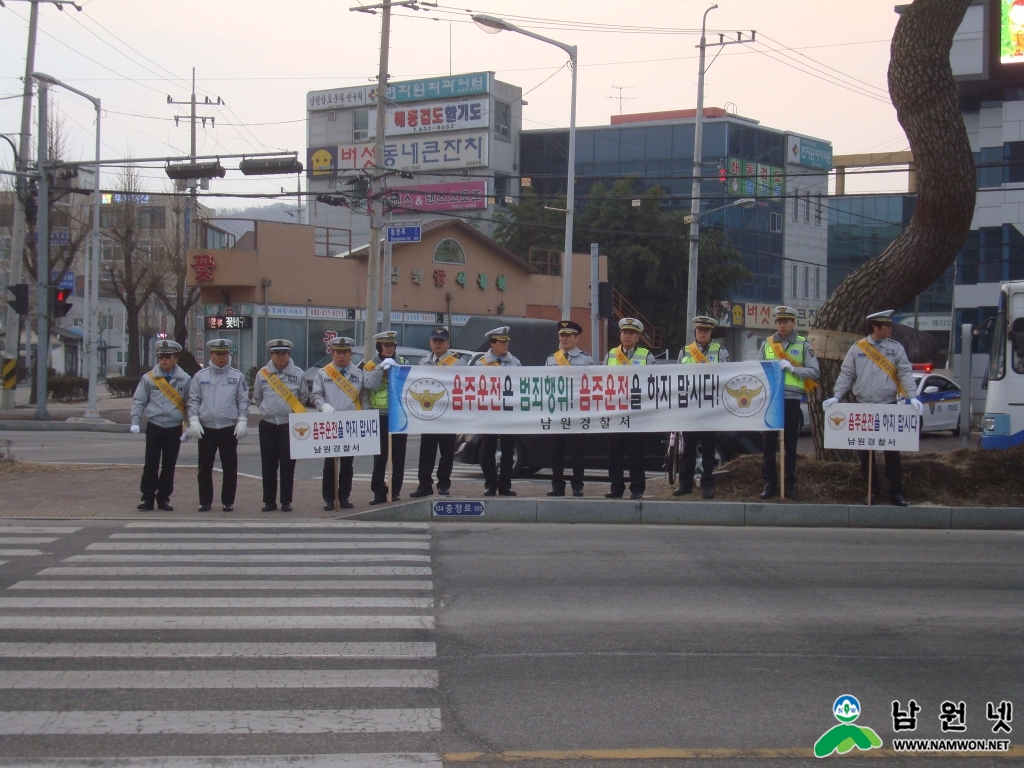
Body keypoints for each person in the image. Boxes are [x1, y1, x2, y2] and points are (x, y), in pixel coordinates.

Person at [823, 310, 922, 507]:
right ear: (875, 327)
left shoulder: (896, 348)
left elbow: (905, 372)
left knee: (892, 452)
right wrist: (836, 396)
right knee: (865, 453)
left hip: (888, 405)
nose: (890, 328)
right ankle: (872, 490)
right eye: (886, 325)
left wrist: (912, 396)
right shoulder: (857, 348)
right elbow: (847, 374)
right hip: (864, 407)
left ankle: (896, 492)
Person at [310, 335, 383, 510]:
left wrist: (365, 415)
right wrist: (324, 406)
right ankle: (329, 497)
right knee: (330, 462)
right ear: (332, 354)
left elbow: (364, 397)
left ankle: (344, 496)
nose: (341, 356)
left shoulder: (359, 374)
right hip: (331, 422)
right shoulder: (323, 373)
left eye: (345, 353)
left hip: (351, 423)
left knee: (347, 463)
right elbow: (315, 396)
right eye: (338, 352)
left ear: (350, 354)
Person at [759, 306, 820, 501]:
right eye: (778, 321)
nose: (782, 325)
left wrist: (793, 369)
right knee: (768, 444)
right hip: (771, 400)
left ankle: (789, 484)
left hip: (792, 399)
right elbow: (758, 370)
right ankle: (769, 483)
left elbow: (814, 372)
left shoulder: (803, 345)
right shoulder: (767, 344)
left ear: (794, 323)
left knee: (791, 445)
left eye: (785, 321)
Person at [187, 338, 250, 512]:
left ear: (229, 354)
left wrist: (243, 421)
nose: (222, 357)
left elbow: (242, 401)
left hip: (228, 427)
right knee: (204, 467)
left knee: (230, 466)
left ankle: (228, 501)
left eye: (225, 353)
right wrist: (193, 420)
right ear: (211, 354)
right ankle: (205, 501)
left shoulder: (237, 377)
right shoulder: (200, 376)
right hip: (206, 427)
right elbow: (193, 400)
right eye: (218, 354)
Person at [130, 339, 191, 512]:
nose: (164, 359)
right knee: (150, 463)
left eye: (168, 356)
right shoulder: (149, 378)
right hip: (155, 425)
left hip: (174, 427)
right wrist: (135, 421)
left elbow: (190, 403)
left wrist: (189, 426)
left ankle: (164, 498)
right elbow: (139, 401)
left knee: (169, 464)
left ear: (176, 358)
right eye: (161, 356)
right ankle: (147, 497)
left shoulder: (185, 379)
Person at [674, 315, 730, 500]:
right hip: (690, 406)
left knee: (708, 447)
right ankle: (685, 483)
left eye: (705, 330)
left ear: (711, 332)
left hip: (710, 406)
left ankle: (707, 484)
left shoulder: (720, 351)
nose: (702, 333)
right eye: (699, 330)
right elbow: (676, 378)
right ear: (695, 332)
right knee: (688, 448)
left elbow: (727, 376)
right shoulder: (685, 352)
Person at [253, 338, 309, 513]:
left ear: (289, 354)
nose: (280, 357)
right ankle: (269, 501)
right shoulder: (262, 374)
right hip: (268, 424)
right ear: (271, 355)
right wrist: (266, 410)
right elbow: (257, 397)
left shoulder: (298, 374)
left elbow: (303, 397)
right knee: (268, 465)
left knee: (287, 465)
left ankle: (286, 501)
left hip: (288, 425)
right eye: (277, 353)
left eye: (284, 353)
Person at [410, 327, 464, 498]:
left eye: (441, 341)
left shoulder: (457, 363)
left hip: (448, 414)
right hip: (429, 413)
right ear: (430, 343)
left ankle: (444, 484)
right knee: (426, 452)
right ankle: (424, 485)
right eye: (435, 341)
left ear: (447, 343)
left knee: (447, 453)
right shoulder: (423, 362)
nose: (438, 344)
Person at [605, 317, 653, 500]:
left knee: (636, 453)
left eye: (631, 333)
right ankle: (616, 487)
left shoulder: (646, 355)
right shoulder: (610, 355)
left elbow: (652, 383)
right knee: (614, 452)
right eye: (624, 332)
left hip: (636, 412)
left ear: (638, 337)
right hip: (615, 412)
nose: (627, 336)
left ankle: (637, 488)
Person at [546, 320, 593, 497]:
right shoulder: (551, 359)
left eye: (568, 335)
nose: (564, 339)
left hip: (577, 412)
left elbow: (593, 384)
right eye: (561, 335)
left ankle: (578, 485)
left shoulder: (586, 359)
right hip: (557, 412)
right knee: (556, 452)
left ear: (576, 338)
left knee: (577, 452)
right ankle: (557, 485)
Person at [362, 330, 408, 505]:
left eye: (392, 345)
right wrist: (380, 370)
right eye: (386, 345)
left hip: (398, 414)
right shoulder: (369, 366)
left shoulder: (403, 362)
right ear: (379, 347)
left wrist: (395, 368)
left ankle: (395, 491)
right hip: (379, 414)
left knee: (398, 456)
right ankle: (379, 492)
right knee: (379, 457)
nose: (389, 348)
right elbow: (371, 386)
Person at [476, 325, 521, 496]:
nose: (505, 344)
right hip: (489, 412)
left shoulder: (514, 362)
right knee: (488, 449)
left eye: (506, 341)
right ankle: (490, 484)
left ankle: (505, 485)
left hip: (508, 411)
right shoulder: (481, 364)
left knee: (509, 449)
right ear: (492, 343)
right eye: (501, 342)